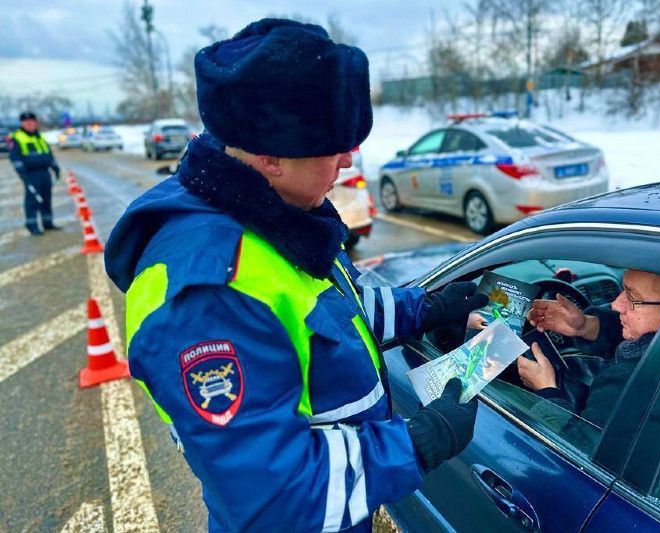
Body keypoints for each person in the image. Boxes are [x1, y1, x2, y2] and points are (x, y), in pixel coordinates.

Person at [105, 19, 487, 532]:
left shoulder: (276, 213)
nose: (349, 159)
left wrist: (424, 307)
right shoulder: (207, 295)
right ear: (271, 157)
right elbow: (274, 497)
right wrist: (421, 440)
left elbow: (329, 318)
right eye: (333, 146)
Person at [517, 269, 660, 428]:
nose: (616, 304)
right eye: (623, 291)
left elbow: (574, 446)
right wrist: (585, 326)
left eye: (633, 297)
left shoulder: (627, 384)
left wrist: (546, 389)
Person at [8, 111, 61, 235]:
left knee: (46, 199)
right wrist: (22, 173)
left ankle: (48, 223)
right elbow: (14, 157)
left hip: (45, 173)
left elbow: (48, 153)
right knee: (32, 201)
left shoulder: (39, 136)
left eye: (32, 121)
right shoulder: (16, 137)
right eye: (27, 122)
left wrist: (55, 167)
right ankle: (32, 226)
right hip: (31, 174)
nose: (30, 124)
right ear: (22, 123)